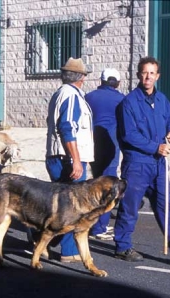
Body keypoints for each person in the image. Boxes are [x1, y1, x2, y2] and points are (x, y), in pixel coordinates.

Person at [113, 56, 170, 264]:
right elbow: (129, 135)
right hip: (137, 164)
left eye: (152, 73)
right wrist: (156, 147)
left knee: (166, 206)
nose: (148, 77)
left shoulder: (161, 99)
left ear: (157, 76)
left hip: (159, 164)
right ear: (138, 75)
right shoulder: (129, 102)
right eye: (145, 73)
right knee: (130, 206)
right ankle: (122, 247)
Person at [45, 57, 94, 263]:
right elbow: (67, 127)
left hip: (58, 156)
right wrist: (75, 160)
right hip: (67, 158)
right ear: (81, 77)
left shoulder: (62, 93)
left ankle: (47, 241)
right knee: (71, 206)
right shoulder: (71, 96)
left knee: (61, 205)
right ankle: (66, 249)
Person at [85, 68, 125, 240]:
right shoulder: (122, 99)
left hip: (92, 144)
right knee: (109, 184)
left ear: (100, 81)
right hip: (110, 145)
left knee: (96, 183)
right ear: (117, 82)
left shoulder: (89, 97)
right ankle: (100, 227)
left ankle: (92, 221)